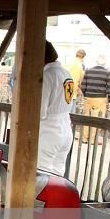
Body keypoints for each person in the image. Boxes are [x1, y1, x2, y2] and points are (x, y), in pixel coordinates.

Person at [38, 42, 74, 175]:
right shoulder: (66, 73)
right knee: (58, 175)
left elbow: (40, 111)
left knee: (43, 175)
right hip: (66, 128)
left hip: (49, 131)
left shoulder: (47, 75)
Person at [80, 54, 110, 143]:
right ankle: (92, 139)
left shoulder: (88, 71)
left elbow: (82, 86)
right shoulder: (107, 73)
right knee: (97, 119)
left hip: (88, 98)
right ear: (104, 63)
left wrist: (86, 94)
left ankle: (84, 138)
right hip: (100, 99)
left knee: (87, 117)